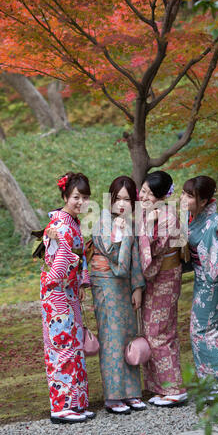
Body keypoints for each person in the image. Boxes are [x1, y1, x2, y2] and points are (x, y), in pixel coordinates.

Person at [40, 171, 96, 423]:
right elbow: (58, 265)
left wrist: (81, 281)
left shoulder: (72, 223)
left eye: (85, 197)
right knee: (61, 347)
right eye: (76, 197)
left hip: (69, 291)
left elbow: (77, 256)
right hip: (57, 294)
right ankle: (61, 407)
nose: (81, 202)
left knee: (74, 347)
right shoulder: (58, 225)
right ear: (64, 196)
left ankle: (76, 403)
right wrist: (73, 268)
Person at [90, 176, 146, 415]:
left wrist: (137, 288)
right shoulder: (102, 220)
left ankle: (132, 391)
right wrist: (120, 235)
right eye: (117, 198)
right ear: (110, 199)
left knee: (127, 335)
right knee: (112, 336)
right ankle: (114, 396)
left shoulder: (128, 223)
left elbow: (133, 261)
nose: (121, 204)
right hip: (106, 281)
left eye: (127, 199)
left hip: (124, 284)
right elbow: (112, 252)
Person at [180, 175, 218, 398]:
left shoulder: (213, 222)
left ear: (204, 201)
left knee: (202, 330)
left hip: (214, 279)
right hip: (212, 277)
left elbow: (214, 256)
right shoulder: (198, 216)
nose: (184, 199)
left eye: (189, 195)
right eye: (184, 193)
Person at [138, 170, 187, 408]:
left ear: (159, 196)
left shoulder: (166, 216)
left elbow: (154, 250)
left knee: (159, 333)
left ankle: (174, 389)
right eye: (143, 190)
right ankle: (160, 387)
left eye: (148, 193)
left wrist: (146, 225)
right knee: (153, 331)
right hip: (157, 279)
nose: (142, 196)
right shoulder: (152, 213)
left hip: (165, 277)